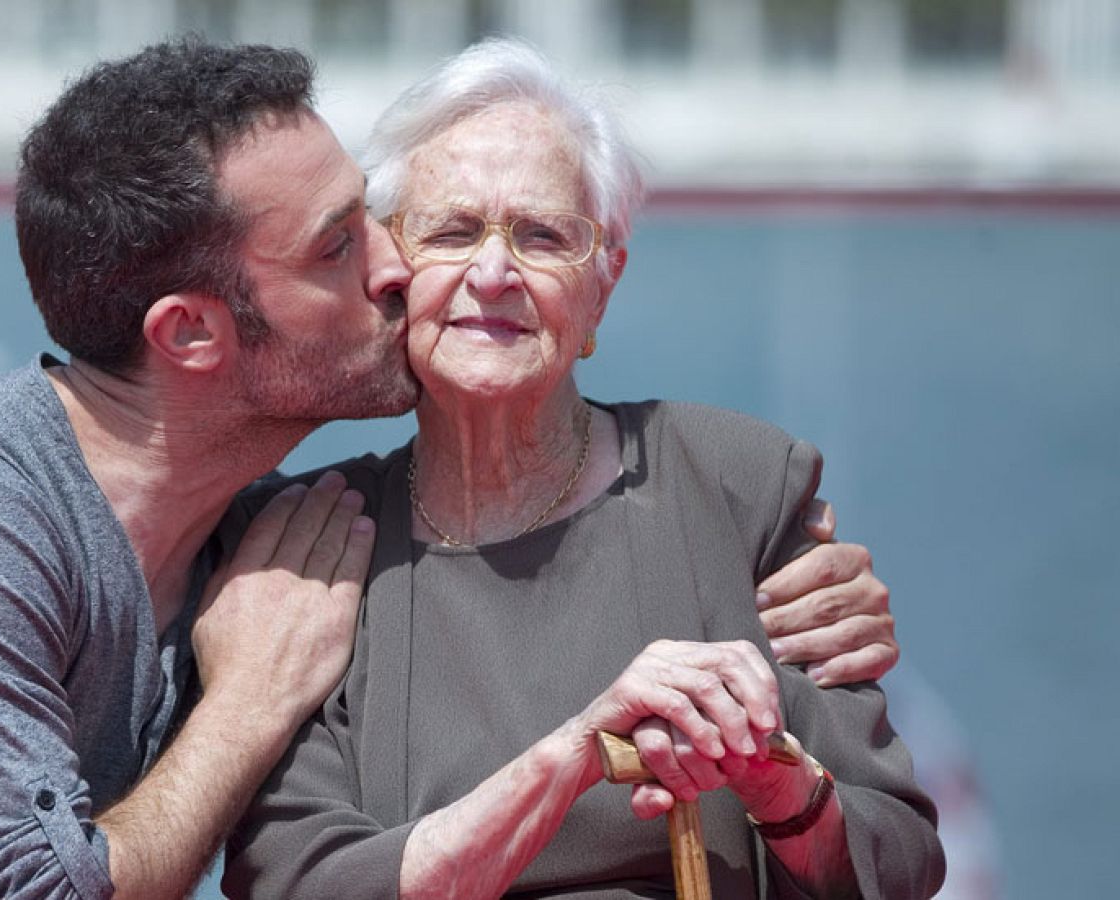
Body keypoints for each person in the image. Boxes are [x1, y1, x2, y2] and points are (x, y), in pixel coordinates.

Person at [0, 40, 898, 900]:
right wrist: (248, 699)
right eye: (345, 248)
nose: (400, 272)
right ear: (195, 337)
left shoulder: (249, 529)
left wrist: (807, 584)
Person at [223, 39, 945, 899]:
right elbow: (293, 882)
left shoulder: (736, 485)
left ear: (602, 287)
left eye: (542, 237)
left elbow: (899, 862)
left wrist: (780, 787)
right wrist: (575, 754)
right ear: (391, 271)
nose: (493, 273)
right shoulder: (314, 539)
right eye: (452, 232)